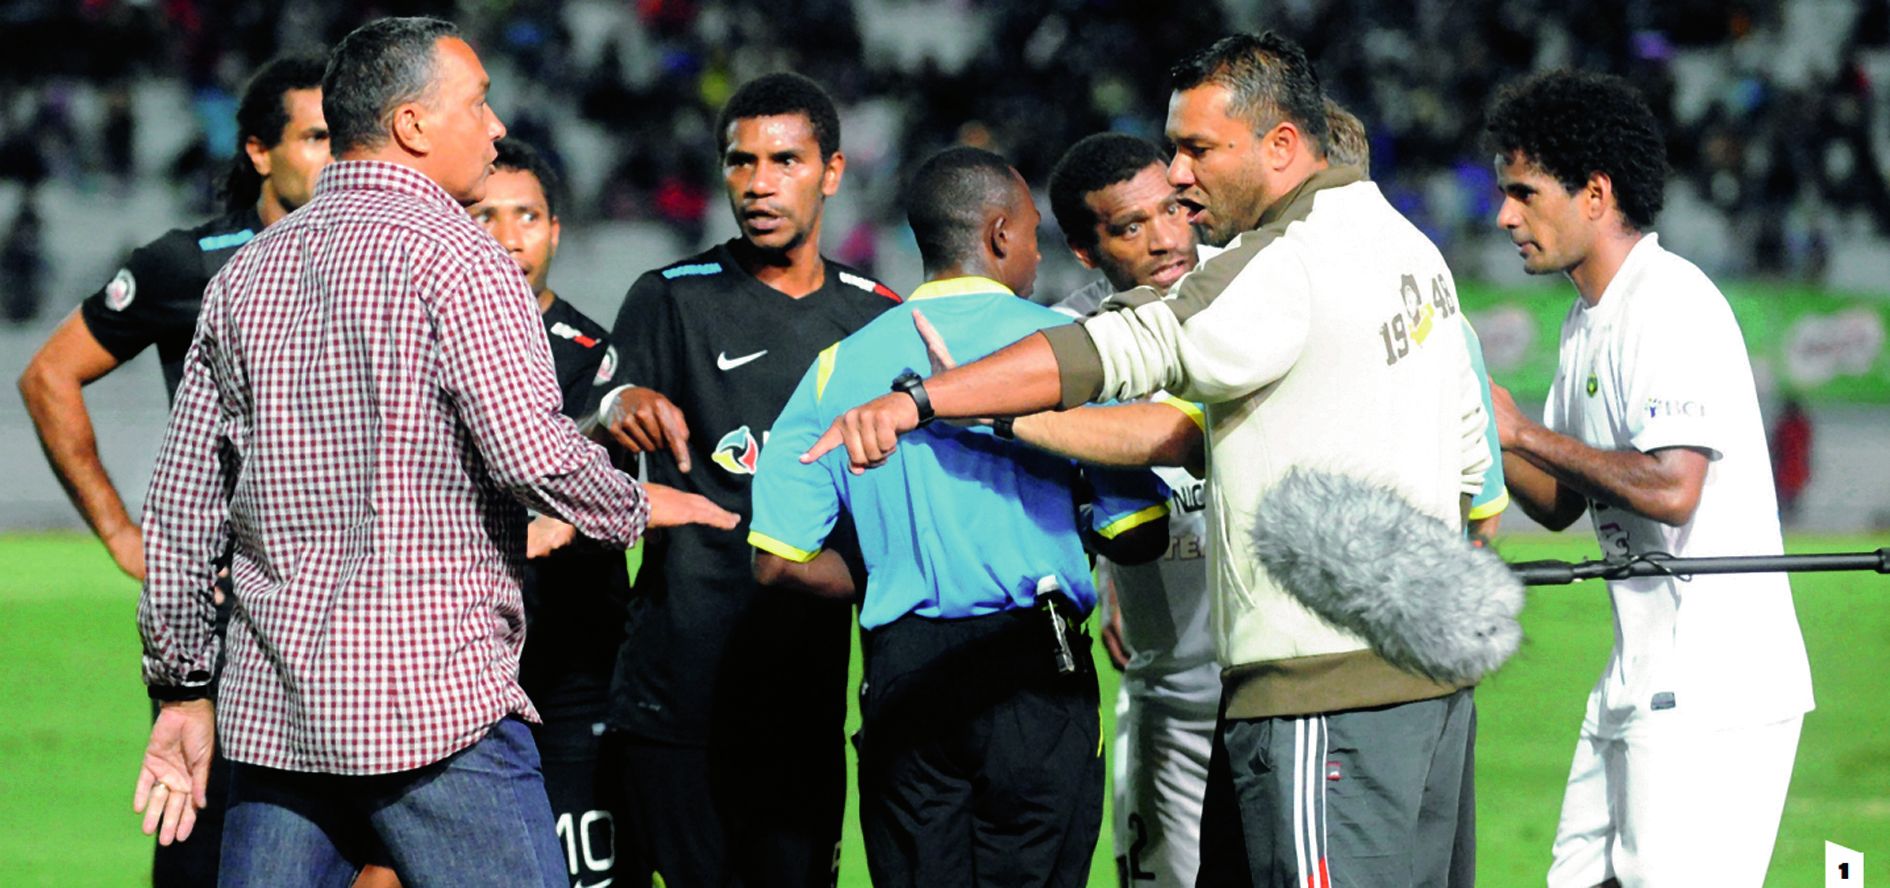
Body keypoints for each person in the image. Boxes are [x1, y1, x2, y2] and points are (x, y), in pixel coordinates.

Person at [803, 32, 1492, 887]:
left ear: (1280, 144)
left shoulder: (1278, 267)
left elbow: (1123, 351)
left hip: (1324, 694)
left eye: (1198, 149)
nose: (1180, 173)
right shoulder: (1408, 248)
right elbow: (1462, 469)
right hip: (1421, 688)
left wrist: (925, 399)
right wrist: (1016, 425)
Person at [131, 18, 733, 887]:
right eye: (478, 103)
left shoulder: (246, 277)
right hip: (434, 708)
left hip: (279, 717)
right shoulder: (463, 259)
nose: (495, 127)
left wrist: (181, 688)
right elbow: (532, 454)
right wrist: (639, 504)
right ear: (412, 126)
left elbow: (186, 503)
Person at [749, 145, 1171, 887]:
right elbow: (1137, 535)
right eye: (1034, 233)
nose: (1037, 254)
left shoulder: (836, 367)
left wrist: (886, 573)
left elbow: (779, 559)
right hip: (1033, 670)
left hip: (903, 673)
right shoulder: (1066, 355)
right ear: (1001, 233)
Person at [1483, 70, 1814, 888]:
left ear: (1594, 194)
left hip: (1714, 689)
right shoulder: (1586, 319)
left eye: (1524, 193)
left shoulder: (1669, 303)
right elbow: (1561, 501)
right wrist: (1479, 432)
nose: (1503, 216)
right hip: (1640, 677)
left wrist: (1520, 429)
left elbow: (1673, 489)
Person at [16, 53, 329, 888]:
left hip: (346, 609)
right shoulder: (188, 265)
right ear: (260, 152)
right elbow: (49, 376)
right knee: (204, 846)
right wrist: (125, 535)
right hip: (220, 622)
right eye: (317, 137)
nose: (337, 156)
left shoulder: (383, 255)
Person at [587, 71, 901, 886]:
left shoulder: (875, 319)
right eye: (741, 162)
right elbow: (586, 438)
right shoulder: (668, 300)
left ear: (832, 172)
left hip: (803, 698)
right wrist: (617, 403)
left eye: (785, 161)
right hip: (675, 694)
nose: (759, 184)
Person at [1044, 132, 1216, 888]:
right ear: (1087, 250)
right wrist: (1112, 579)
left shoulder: (1255, 293)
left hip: (1284, 684)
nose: (1165, 238)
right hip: (1169, 692)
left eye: (1173, 209)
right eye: (1130, 226)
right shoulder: (1067, 346)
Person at [467, 136, 628, 888]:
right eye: (485, 214)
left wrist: (563, 516)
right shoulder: (430, 341)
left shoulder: (600, 358)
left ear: (556, 229)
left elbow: (615, 478)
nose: (507, 236)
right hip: (459, 666)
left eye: (526, 216)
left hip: (571, 666)